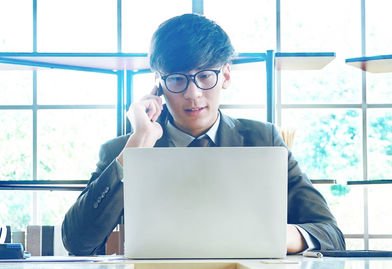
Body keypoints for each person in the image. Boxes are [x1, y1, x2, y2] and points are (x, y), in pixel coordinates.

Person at [62, 13, 345, 256]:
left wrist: (279, 236)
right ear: (158, 83)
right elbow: (77, 242)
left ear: (226, 76)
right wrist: (136, 148)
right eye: (177, 79)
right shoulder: (125, 151)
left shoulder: (263, 139)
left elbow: (331, 234)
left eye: (205, 76)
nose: (192, 94)